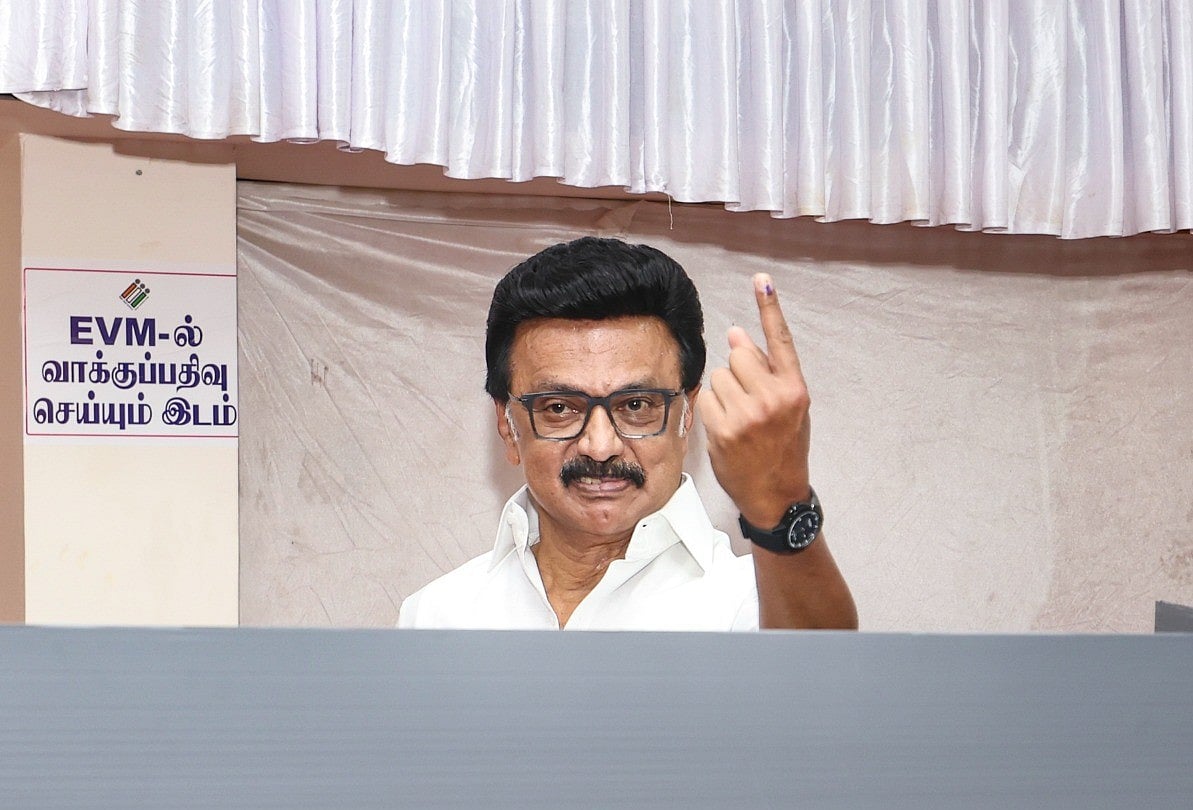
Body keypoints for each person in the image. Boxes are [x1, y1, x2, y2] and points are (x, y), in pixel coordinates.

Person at [398, 237, 856, 630]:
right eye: (559, 408)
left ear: (687, 413)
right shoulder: (437, 617)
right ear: (507, 424)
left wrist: (780, 503)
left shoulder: (754, 605)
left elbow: (824, 685)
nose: (600, 446)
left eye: (636, 405)